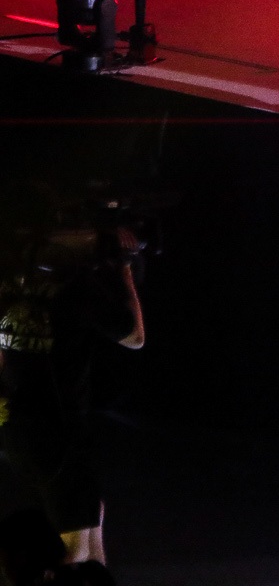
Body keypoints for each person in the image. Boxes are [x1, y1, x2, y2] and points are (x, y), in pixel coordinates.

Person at [0, 186, 145, 571]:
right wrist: (124, 267)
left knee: (91, 525)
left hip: (23, 429)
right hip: (58, 430)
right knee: (75, 550)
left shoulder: (8, 285)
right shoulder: (76, 289)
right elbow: (135, 337)